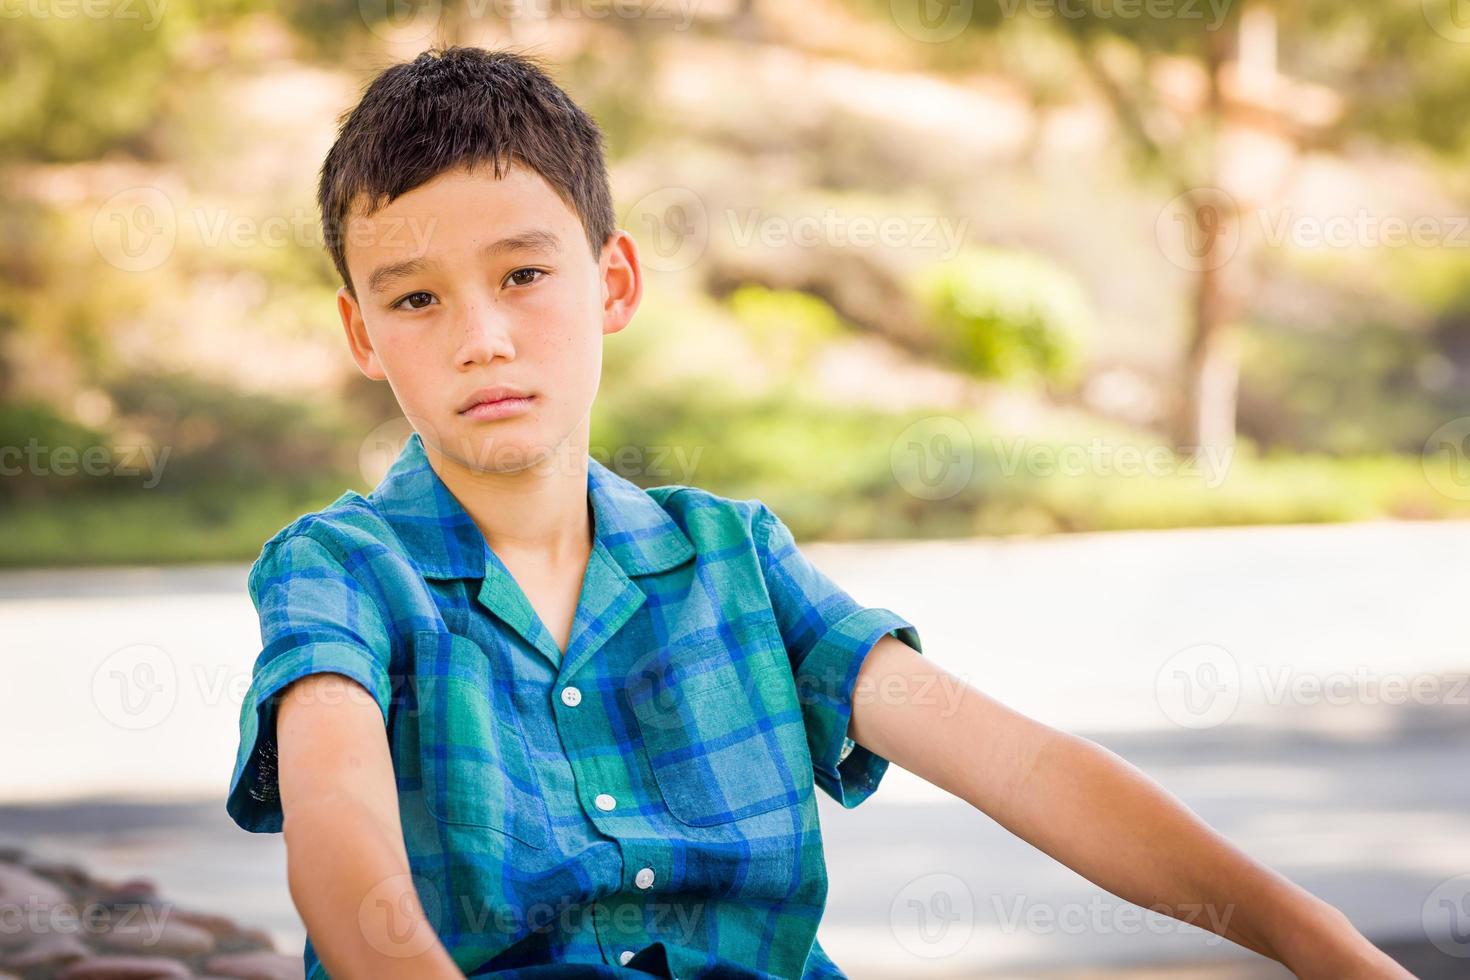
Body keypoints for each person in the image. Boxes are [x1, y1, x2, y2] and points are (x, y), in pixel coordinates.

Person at [226, 45, 1410, 980]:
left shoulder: (735, 561)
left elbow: (1025, 765)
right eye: (418, 298)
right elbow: (342, 843)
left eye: (524, 274)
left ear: (614, 283)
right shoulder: (342, 570)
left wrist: (1316, 939)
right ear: (362, 336)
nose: (480, 335)